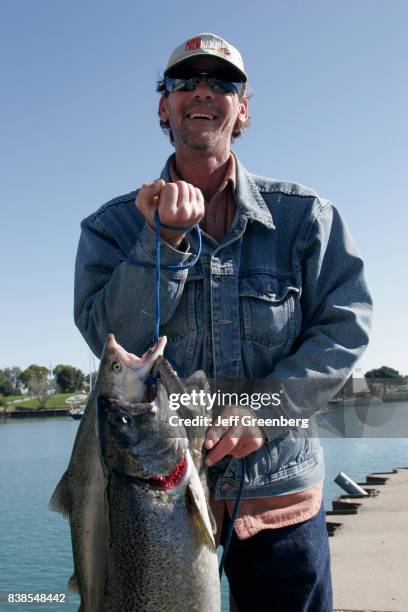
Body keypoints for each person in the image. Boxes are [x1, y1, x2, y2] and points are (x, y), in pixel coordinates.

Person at [74, 33, 372, 612]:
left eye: (223, 82)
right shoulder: (110, 229)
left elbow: (346, 327)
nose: (203, 92)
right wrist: (161, 240)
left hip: (281, 505)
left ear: (244, 107)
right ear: (164, 106)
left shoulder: (306, 217)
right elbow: (112, 344)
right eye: (185, 81)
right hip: (150, 517)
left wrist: (264, 412)